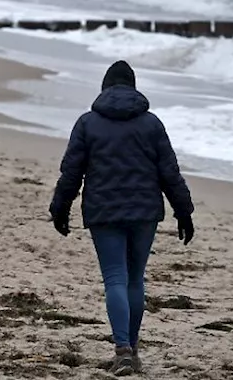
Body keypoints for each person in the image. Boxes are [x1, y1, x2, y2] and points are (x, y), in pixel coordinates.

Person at [49, 61, 194, 377]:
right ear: (134, 88)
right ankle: (133, 350)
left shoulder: (88, 123)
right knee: (134, 278)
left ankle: (123, 351)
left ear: (104, 88)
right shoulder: (152, 124)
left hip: (104, 212)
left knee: (115, 277)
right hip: (144, 213)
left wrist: (60, 207)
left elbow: (71, 172)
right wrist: (184, 212)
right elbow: (169, 173)